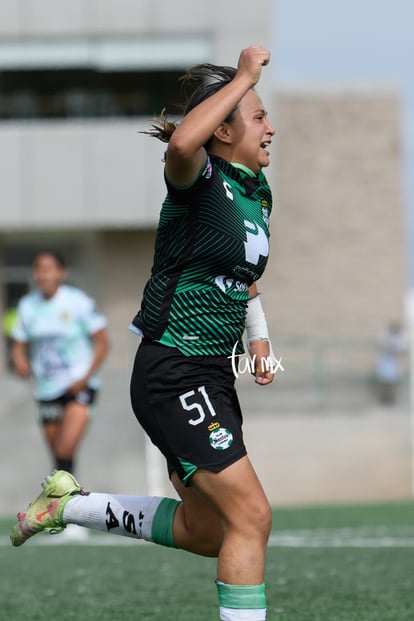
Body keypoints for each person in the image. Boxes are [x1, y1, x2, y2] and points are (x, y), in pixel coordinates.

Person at [11, 45, 276, 621]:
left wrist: (258, 337)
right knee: (251, 517)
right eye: (258, 117)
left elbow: (241, 277)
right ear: (223, 130)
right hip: (173, 369)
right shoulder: (198, 177)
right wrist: (245, 78)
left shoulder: (256, 195)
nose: (270, 128)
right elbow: (183, 143)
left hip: (210, 375)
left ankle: (68, 508)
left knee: (208, 531)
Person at [10, 250, 109, 475]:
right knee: (59, 458)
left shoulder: (78, 302)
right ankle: (69, 505)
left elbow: (103, 343)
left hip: (79, 386)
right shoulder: (27, 305)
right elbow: (18, 343)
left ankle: (66, 504)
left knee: (65, 450)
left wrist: (83, 378)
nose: (42, 275)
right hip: (46, 389)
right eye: (38, 269)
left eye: (48, 269)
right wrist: (19, 360)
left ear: (61, 273)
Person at [375, 320, 408, 405]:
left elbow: (403, 350)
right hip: (386, 362)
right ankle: (384, 398)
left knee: (394, 381)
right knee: (384, 381)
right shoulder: (385, 336)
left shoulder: (401, 338)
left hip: (395, 363)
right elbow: (382, 346)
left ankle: (392, 398)